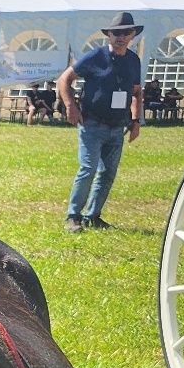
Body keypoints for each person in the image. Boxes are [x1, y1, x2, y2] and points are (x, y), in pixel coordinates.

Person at [57, 12, 144, 231]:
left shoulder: (134, 60)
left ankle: (93, 216)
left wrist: (136, 121)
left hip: (118, 126)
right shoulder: (95, 56)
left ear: (132, 35)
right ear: (109, 35)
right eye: (116, 33)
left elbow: (135, 92)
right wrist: (70, 106)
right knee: (88, 168)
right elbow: (64, 79)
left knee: (108, 173)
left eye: (125, 32)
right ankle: (73, 216)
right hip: (92, 124)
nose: (120, 37)